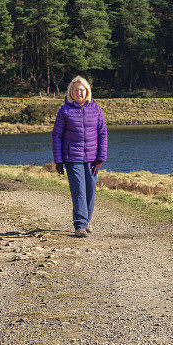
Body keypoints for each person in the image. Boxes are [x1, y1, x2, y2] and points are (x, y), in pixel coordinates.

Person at [51, 76, 108, 237]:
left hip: (92, 158)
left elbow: (103, 133)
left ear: (87, 91)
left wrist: (101, 158)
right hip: (72, 157)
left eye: (81, 90)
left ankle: (87, 220)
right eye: (75, 90)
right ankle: (80, 226)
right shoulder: (64, 111)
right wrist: (58, 160)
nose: (79, 93)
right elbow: (57, 135)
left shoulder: (96, 109)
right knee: (79, 191)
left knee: (90, 191)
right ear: (71, 92)